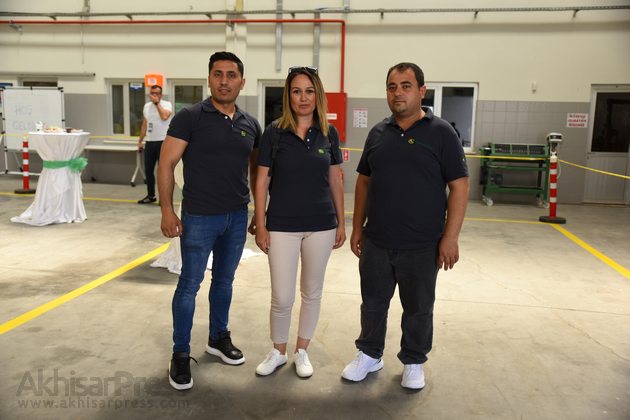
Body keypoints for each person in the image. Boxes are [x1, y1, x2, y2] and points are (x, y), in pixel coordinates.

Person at [341, 62, 469, 390]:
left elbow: (459, 186)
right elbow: (364, 181)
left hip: (422, 244)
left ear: (421, 91)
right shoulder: (378, 133)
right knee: (372, 304)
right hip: (377, 241)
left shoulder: (442, 133)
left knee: (418, 308)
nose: (398, 93)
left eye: (406, 86)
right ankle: (370, 354)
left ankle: (413, 360)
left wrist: (450, 237)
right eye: (392, 86)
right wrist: (357, 228)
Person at [158, 51, 262, 391]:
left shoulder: (250, 124)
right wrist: (167, 210)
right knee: (189, 284)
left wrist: (257, 213)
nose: (224, 81)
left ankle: (218, 337)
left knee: (224, 281)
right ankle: (180, 353)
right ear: (209, 79)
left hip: (236, 216)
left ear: (242, 82)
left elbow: (257, 171)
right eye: (218, 74)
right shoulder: (190, 118)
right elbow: (166, 164)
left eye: (231, 75)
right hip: (199, 217)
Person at [251, 66, 346, 378]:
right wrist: (261, 223)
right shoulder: (274, 132)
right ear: (288, 96)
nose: (303, 98)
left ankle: (302, 350)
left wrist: (341, 223)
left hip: (322, 224)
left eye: (309, 91)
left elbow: (335, 179)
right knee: (282, 296)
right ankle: (278, 351)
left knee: (311, 292)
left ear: (317, 95)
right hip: (282, 225)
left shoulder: (329, 133)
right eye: (296, 91)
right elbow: (262, 180)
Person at [137, 84, 173, 204]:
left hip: (163, 141)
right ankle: (151, 195)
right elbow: (145, 124)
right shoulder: (147, 106)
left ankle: (164, 198)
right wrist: (140, 141)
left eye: (157, 93)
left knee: (163, 171)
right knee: (148, 170)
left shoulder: (166, 104)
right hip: (150, 142)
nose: (154, 95)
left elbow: (164, 117)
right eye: (152, 93)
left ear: (161, 95)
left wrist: (157, 103)